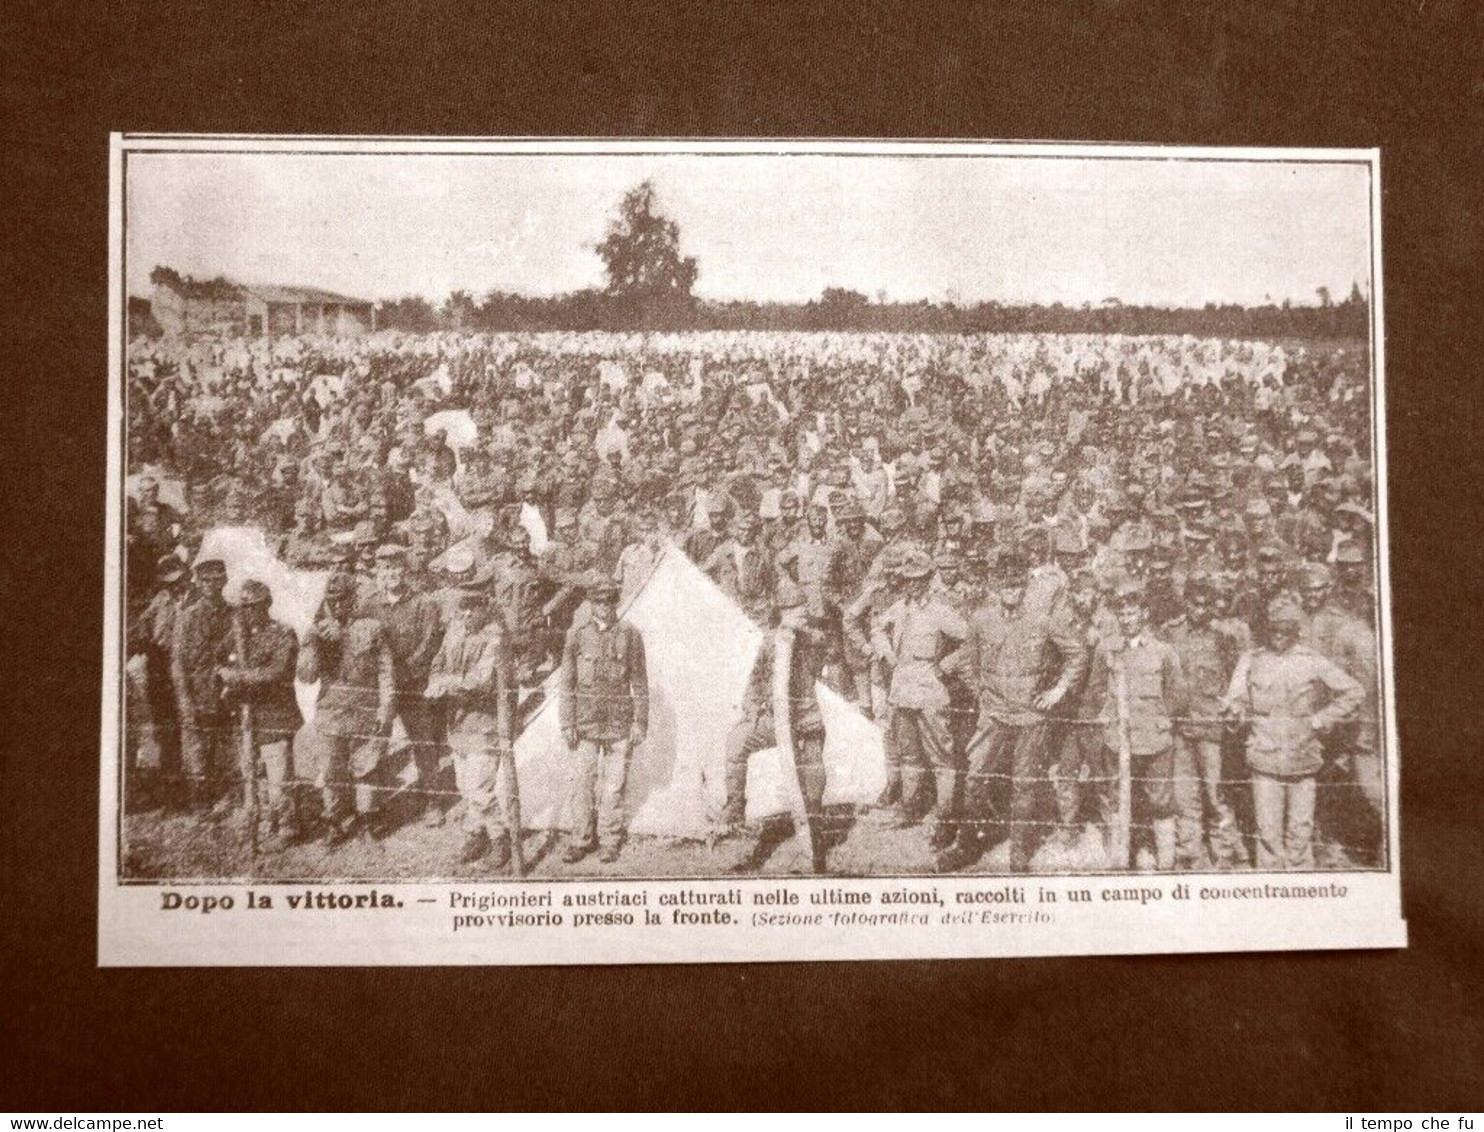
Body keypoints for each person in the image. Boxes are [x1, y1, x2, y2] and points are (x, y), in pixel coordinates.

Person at [940, 551, 1087, 873]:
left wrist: (1058, 690)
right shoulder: (982, 619)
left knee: (1024, 784)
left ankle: (1019, 852)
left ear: (1024, 588)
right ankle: (967, 843)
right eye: (1006, 587)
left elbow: (1076, 653)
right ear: (996, 587)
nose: (1012, 593)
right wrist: (981, 693)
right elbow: (967, 660)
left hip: (1030, 718)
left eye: (1017, 586)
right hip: (993, 716)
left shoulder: (1042, 619)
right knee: (975, 779)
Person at [1224, 596, 1363, 870]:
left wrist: (1323, 718)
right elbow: (1236, 700)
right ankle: (1272, 883)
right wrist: (1235, 713)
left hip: (1302, 758)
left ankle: (1300, 881)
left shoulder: (1311, 660)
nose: (1278, 636)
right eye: (1273, 629)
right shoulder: (1250, 660)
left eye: (1285, 630)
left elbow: (1354, 691)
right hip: (1264, 757)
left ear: (1295, 631)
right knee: (1267, 832)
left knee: (1301, 829)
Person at [1084, 576, 1190, 870]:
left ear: (1144, 614)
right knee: (1119, 800)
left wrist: (1160, 720)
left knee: (1160, 800)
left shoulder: (1163, 651)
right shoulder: (1107, 649)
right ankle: (1121, 858)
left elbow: (1178, 695)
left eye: (1132, 613)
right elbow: (1095, 690)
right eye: (1122, 613)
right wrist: (1105, 717)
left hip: (1155, 741)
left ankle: (1167, 861)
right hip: (1118, 739)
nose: (1127, 619)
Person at [720, 596, 832, 873]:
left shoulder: (812, 639)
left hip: (805, 720)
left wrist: (798, 632)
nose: (796, 614)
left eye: (799, 609)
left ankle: (814, 838)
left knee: (812, 781)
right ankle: (735, 807)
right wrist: (751, 707)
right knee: (736, 741)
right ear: (781, 613)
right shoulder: (770, 642)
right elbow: (756, 679)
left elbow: (822, 646)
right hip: (774, 720)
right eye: (790, 610)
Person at [425, 563, 519, 868]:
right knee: (465, 785)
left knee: (480, 786)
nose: (465, 615)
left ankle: (498, 839)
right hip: (458, 721)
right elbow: (437, 663)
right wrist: (440, 680)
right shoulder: (455, 628)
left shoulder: (496, 636)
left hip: (484, 722)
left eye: (471, 608)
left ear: (484, 605)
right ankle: (476, 833)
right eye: (461, 608)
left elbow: (482, 681)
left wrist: (446, 684)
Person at [871, 548, 967, 847]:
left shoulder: (941, 611)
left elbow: (970, 639)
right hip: (902, 688)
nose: (912, 585)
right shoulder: (900, 607)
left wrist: (947, 665)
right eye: (907, 579)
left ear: (928, 579)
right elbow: (876, 626)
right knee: (908, 752)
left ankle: (945, 814)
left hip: (929, 689)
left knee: (941, 755)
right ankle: (910, 807)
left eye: (918, 579)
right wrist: (886, 652)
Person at [297, 572, 395, 846]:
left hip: (365, 709)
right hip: (331, 712)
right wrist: (312, 643)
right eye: (331, 600)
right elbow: (306, 676)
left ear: (353, 599)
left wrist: (385, 710)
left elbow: (385, 673)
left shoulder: (372, 628)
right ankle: (335, 822)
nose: (337, 606)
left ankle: (366, 821)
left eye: (343, 600)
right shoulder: (317, 631)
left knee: (367, 768)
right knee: (331, 771)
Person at [558, 574, 649, 864]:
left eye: (610, 601)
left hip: (619, 724)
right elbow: (567, 684)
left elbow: (640, 682)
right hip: (585, 724)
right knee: (581, 783)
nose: (605, 607)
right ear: (590, 604)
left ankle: (609, 839)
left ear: (616, 602)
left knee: (613, 786)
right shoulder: (577, 635)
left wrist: (640, 722)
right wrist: (567, 723)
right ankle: (581, 839)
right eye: (599, 601)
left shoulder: (630, 635)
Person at [1163, 572, 1246, 868]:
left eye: (1205, 605)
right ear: (1185, 603)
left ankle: (1224, 854)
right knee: (1185, 797)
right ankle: (1191, 853)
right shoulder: (1170, 634)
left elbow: (1237, 683)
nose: (1200, 610)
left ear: (1213, 606)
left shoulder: (1224, 638)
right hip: (1181, 729)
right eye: (1194, 604)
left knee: (1216, 795)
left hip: (1212, 731)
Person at [362, 543, 446, 828]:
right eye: (385, 568)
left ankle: (433, 801)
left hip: (414, 685)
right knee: (377, 745)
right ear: (378, 572)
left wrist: (405, 671)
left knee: (423, 743)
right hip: (382, 690)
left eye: (396, 567)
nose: (391, 573)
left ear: (406, 569)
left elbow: (430, 643)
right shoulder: (369, 606)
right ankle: (377, 807)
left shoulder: (424, 604)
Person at [216, 580, 303, 849]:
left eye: (253, 606)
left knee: (279, 780)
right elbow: (218, 662)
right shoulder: (236, 635)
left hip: (275, 717)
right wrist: (222, 676)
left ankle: (288, 827)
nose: (248, 612)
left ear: (267, 604)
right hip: (245, 719)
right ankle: (266, 821)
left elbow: (277, 673)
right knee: (255, 776)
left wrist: (237, 677)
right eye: (243, 607)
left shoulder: (282, 633)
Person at [170, 556, 233, 816]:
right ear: (198, 582)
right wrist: (185, 699)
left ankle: (225, 798)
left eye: (217, 579)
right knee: (196, 749)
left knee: (222, 747)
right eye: (205, 580)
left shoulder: (233, 614)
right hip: (196, 693)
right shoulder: (187, 617)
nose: (211, 584)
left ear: (225, 580)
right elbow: (178, 663)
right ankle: (200, 804)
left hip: (225, 693)